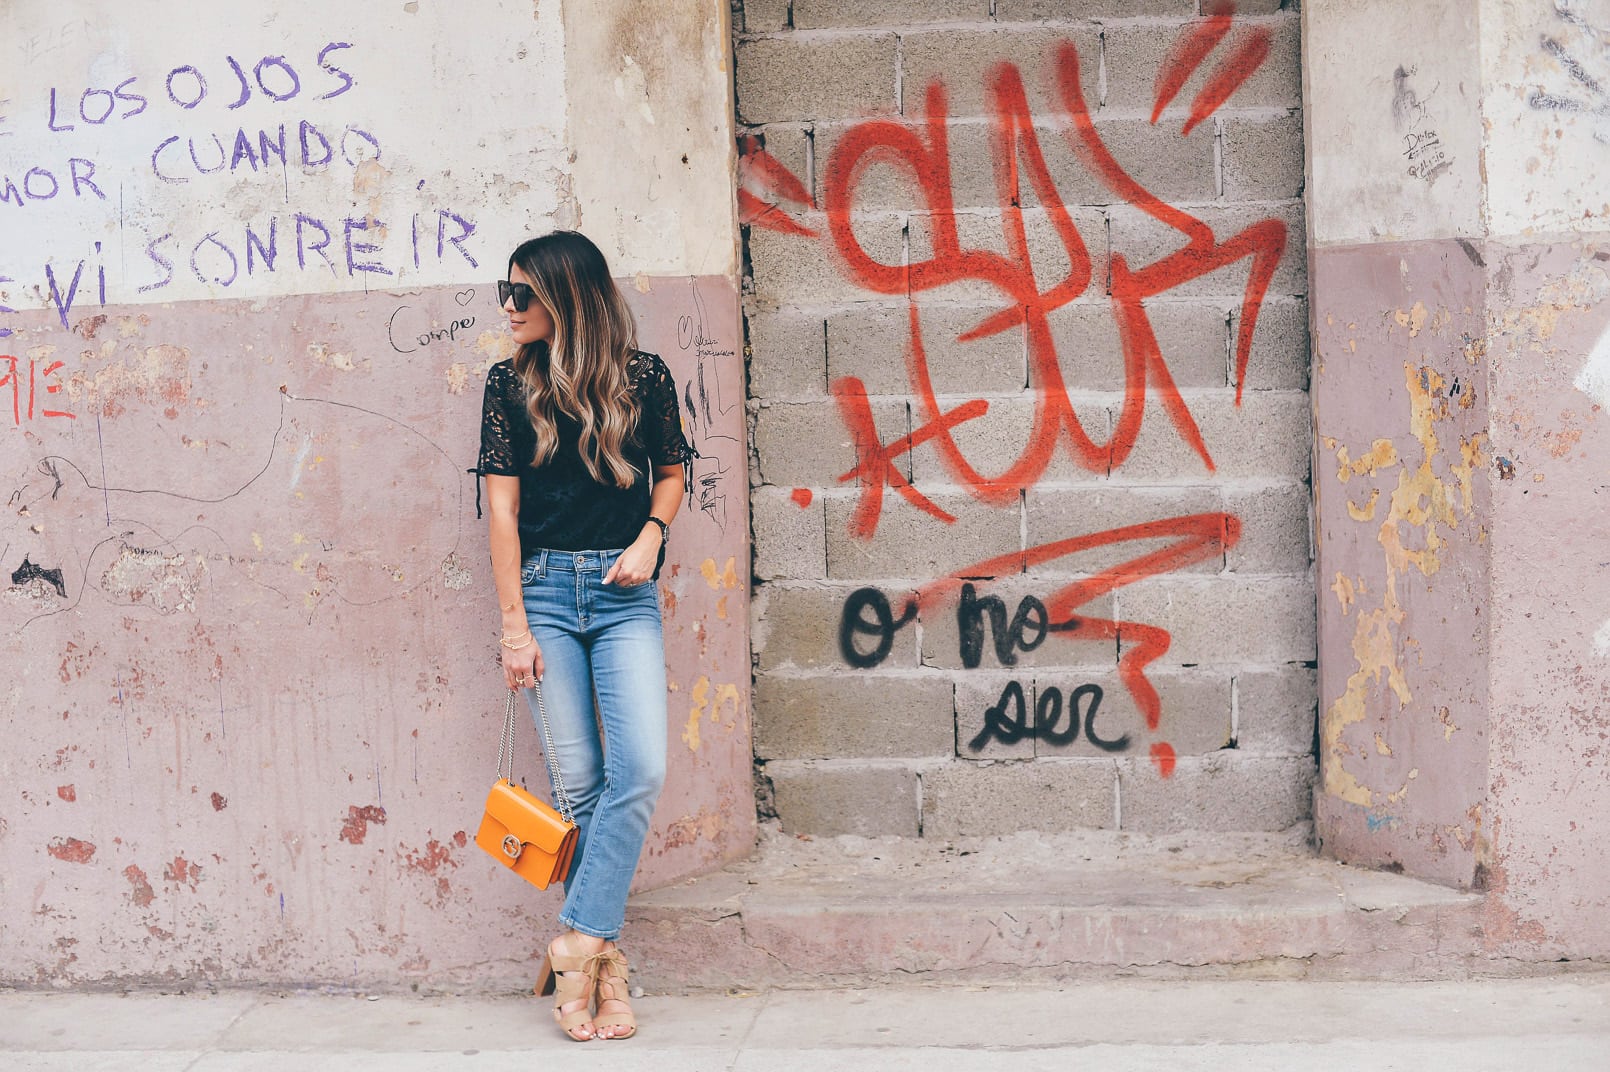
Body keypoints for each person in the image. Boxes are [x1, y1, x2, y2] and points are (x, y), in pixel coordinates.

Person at [477, 230, 689, 1041]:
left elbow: (670, 472)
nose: (509, 305)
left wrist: (651, 538)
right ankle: (606, 969)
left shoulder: (643, 378)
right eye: (508, 289)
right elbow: (501, 512)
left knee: (639, 770)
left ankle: (575, 942)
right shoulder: (507, 385)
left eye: (523, 293)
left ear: (567, 297)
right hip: (544, 597)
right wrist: (513, 631)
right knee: (582, 791)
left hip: (624, 591)